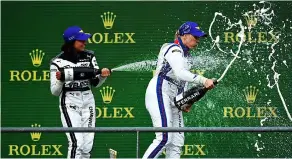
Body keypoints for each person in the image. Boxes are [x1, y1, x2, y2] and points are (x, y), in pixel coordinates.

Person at [142, 21, 215, 159]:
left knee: (176, 142)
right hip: (160, 91)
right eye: (195, 36)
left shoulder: (187, 56)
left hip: (174, 97)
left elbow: (183, 80)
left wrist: (187, 101)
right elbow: (180, 72)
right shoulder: (173, 48)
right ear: (185, 35)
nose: (198, 40)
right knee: (164, 137)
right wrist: (203, 80)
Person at [50, 26, 111, 159]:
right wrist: (61, 79)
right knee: (76, 143)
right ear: (71, 42)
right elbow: (55, 91)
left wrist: (103, 76)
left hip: (88, 100)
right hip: (70, 101)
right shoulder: (57, 62)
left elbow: (95, 83)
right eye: (81, 40)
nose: (85, 43)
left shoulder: (90, 56)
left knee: (87, 146)